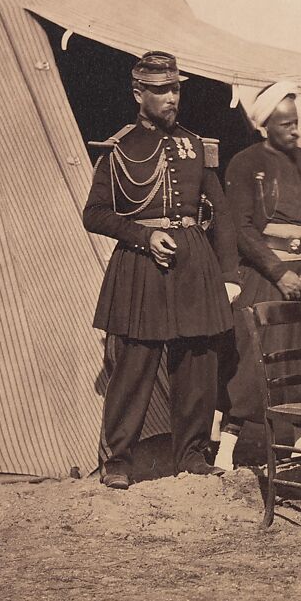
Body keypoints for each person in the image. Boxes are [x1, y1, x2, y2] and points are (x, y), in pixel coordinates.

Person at [83, 51, 242, 490]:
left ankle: (191, 456)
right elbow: (93, 214)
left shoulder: (197, 146)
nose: (172, 97)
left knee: (197, 362)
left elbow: (223, 216)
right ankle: (117, 460)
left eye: (175, 89)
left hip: (194, 265)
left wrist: (230, 275)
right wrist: (143, 236)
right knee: (135, 365)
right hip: (141, 265)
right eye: (161, 90)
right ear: (139, 93)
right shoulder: (120, 148)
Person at [214, 81, 301, 470]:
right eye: (285, 124)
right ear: (266, 125)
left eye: (296, 122)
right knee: (255, 364)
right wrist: (279, 271)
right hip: (267, 279)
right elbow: (242, 227)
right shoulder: (245, 163)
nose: (294, 130)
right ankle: (226, 450)